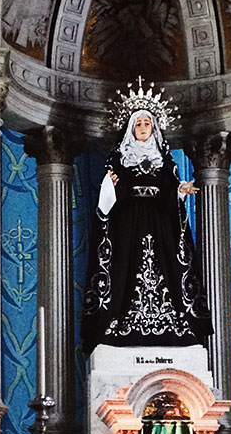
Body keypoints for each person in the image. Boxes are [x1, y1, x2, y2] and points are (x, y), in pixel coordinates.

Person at [82, 103, 213, 353]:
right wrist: (109, 186)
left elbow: (168, 189)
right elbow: (113, 193)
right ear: (131, 129)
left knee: (168, 264)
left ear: (154, 129)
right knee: (125, 265)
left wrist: (180, 190)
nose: (143, 128)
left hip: (160, 221)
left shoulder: (162, 159)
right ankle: (120, 322)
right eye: (139, 124)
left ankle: (172, 323)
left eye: (147, 124)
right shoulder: (121, 158)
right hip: (128, 221)